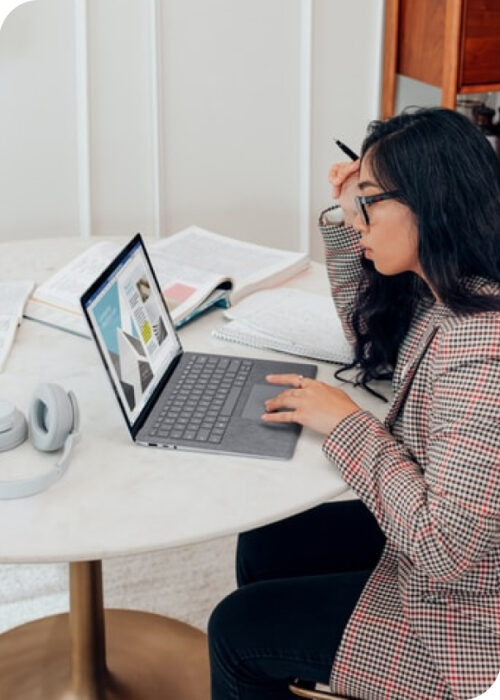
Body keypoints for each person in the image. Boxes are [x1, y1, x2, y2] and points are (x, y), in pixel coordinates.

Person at [207, 108, 500, 700]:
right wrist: (349, 220)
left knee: (236, 632)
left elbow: (445, 551)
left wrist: (347, 424)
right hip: (447, 558)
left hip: (466, 623)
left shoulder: (483, 352)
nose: (356, 215)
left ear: (430, 202)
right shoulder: (455, 287)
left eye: (368, 200)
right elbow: (368, 334)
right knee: (265, 542)